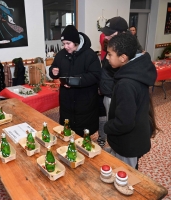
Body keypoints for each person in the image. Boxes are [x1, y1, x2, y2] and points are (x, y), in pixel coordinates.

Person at [104, 33, 158, 169]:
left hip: (128, 142)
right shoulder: (138, 71)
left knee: (125, 177)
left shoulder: (126, 84)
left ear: (123, 58)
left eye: (110, 54)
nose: (107, 57)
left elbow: (124, 122)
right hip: (136, 135)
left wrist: (107, 127)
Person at [49, 25, 101, 137]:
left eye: (68, 43)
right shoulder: (61, 54)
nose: (65, 46)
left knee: (83, 134)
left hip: (84, 99)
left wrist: (74, 82)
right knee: (67, 132)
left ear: (76, 42)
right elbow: (53, 67)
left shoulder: (90, 55)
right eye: (63, 44)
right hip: (66, 99)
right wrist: (53, 72)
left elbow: (95, 75)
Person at [97, 16, 129, 148]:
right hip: (107, 91)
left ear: (122, 33)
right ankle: (109, 144)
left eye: (111, 34)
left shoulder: (126, 54)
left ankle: (113, 147)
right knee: (107, 119)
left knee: (115, 122)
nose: (107, 37)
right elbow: (106, 70)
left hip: (114, 94)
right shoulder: (112, 49)